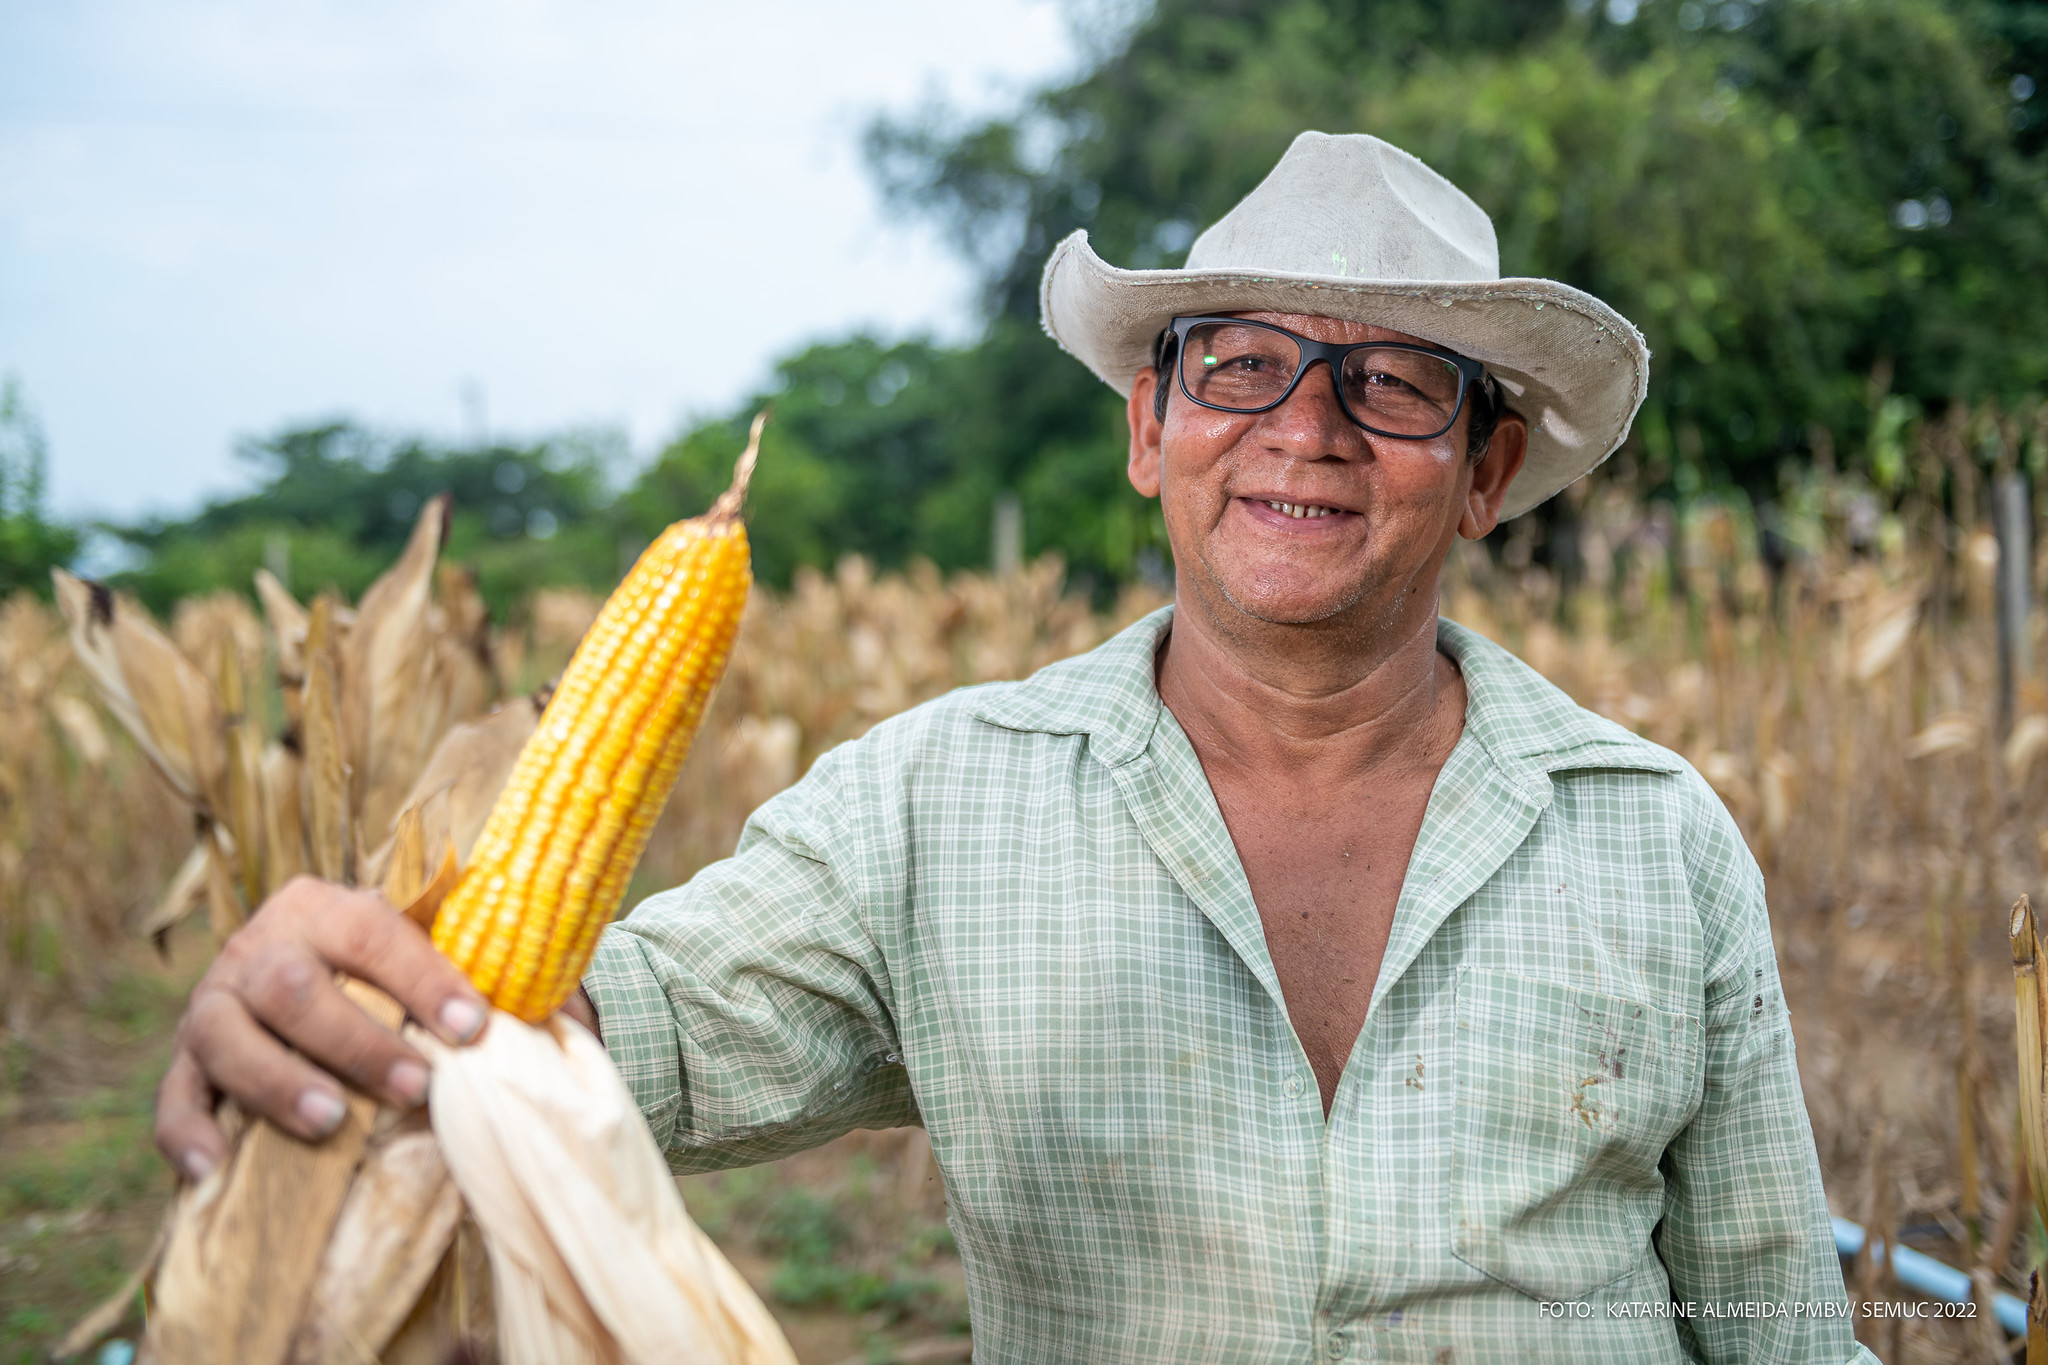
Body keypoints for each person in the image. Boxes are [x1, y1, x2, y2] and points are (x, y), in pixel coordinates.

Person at [153, 132, 1871, 1363]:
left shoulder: (1657, 838)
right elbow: (629, 1028)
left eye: (1397, 384)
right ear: (1150, 427)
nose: (1305, 428)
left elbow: (1779, 1323)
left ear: (1487, 472)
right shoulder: (927, 806)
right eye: (1242, 364)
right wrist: (374, 997)